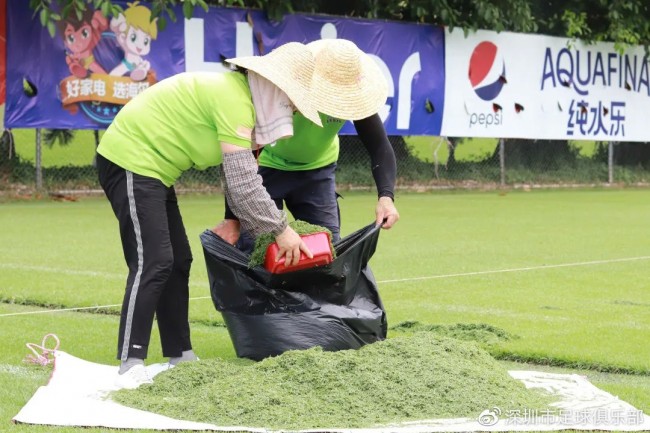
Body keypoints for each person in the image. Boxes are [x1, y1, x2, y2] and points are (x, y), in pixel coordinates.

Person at [97, 42, 328, 389]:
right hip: (130, 159)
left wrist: (257, 224)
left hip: (156, 172)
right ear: (273, 86)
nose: (292, 109)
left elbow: (243, 175)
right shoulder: (235, 100)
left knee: (177, 261)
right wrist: (281, 231)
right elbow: (242, 183)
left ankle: (180, 355)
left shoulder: (246, 104)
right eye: (292, 101)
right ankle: (131, 362)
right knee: (153, 261)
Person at [213, 38, 399, 250]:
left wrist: (386, 197)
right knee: (258, 249)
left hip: (317, 172)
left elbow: (379, 147)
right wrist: (233, 216)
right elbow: (242, 152)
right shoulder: (284, 86)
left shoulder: (353, 97)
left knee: (326, 252)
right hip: (265, 168)